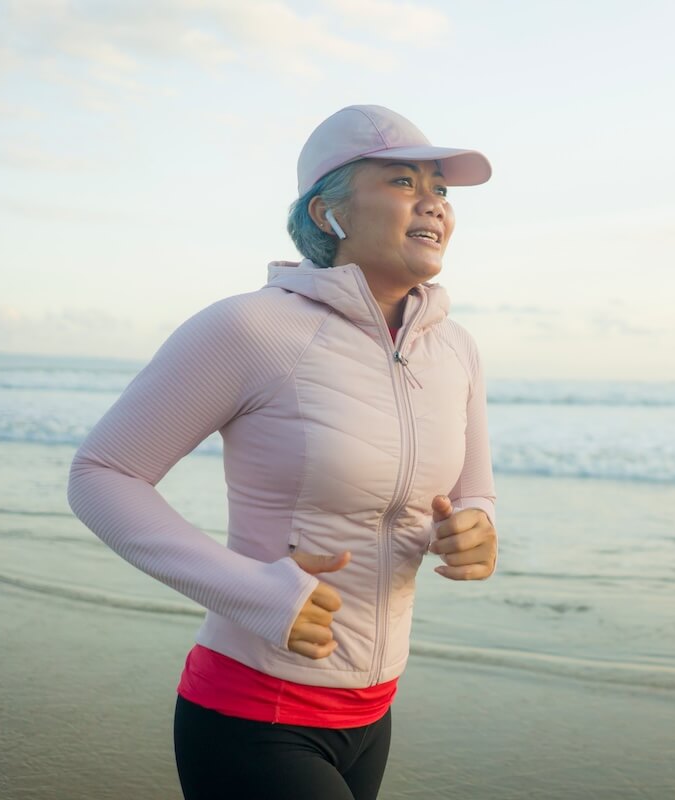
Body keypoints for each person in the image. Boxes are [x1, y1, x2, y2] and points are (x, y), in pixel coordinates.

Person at [68, 104, 498, 800]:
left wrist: (475, 530)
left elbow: (475, 492)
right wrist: (256, 591)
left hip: (374, 709)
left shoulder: (455, 348)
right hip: (252, 714)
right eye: (401, 181)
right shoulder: (253, 328)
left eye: (440, 189)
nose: (433, 204)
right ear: (329, 213)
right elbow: (103, 474)